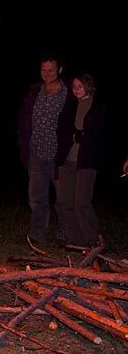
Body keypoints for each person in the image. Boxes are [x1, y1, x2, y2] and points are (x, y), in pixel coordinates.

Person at [17, 55, 72, 245]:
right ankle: (37, 233)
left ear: (60, 70)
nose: (47, 73)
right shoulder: (35, 91)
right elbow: (24, 118)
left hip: (59, 155)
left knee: (63, 198)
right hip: (36, 151)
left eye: (51, 70)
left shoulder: (68, 93)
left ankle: (65, 233)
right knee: (37, 197)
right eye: (44, 70)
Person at [55, 73, 106, 247]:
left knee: (82, 202)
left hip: (86, 162)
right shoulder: (69, 107)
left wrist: (81, 136)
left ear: (88, 86)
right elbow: (62, 131)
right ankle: (76, 241)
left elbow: (97, 134)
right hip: (67, 160)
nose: (76, 89)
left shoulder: (97, 106)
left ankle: (94, 240)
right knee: (66, 202)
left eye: (80, 86)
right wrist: (74, 136)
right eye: (74, 86)